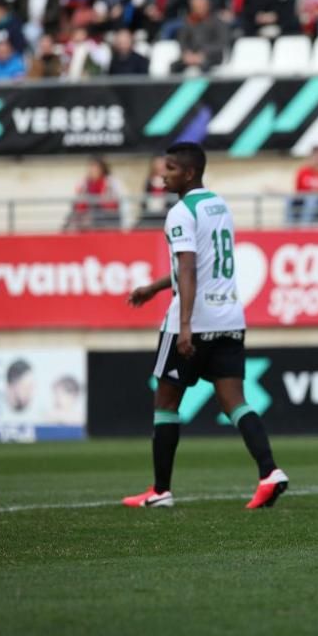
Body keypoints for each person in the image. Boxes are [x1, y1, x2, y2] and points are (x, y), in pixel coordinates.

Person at [123, 142, 288, 510]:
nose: (161, 174)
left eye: (168, 168)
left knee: (165, 403)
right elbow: (202, 264)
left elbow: (188, 268)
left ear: (189, 173)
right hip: (229, 317)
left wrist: (184, 326)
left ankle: (160, 490)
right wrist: (153, 288)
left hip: (193, 322)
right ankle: (269, 472)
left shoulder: (180, 212)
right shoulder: (219, 205)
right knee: (236, 402)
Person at [172, 0, 228, 73]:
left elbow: (222, 43)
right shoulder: (189, 21)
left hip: (212, 56)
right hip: (191, 56)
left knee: (204, 66)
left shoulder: (218, 22)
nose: (198, 9)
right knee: (174, 66)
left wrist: (203, 54)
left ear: (207, 5)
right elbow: (182, 40)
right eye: (195, 7)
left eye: (200, 6)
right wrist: (187, 53)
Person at [65, 157, 123, 231]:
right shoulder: (84, 183)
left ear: (102, 169)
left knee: (91, 218)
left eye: (95, 168)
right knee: (73, 218)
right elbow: (79, 205)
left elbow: (112, 205)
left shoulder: (111, 182)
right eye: (91, 167)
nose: (92, 170)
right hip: (87, 215)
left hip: (106, 216)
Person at [136, 154, 178, 228]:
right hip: (150, 215)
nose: (160, 166)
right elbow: (144, 200)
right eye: (158, 164)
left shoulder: (171, 181)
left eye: (162, 163)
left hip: (165, 214)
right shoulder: (149, 182)